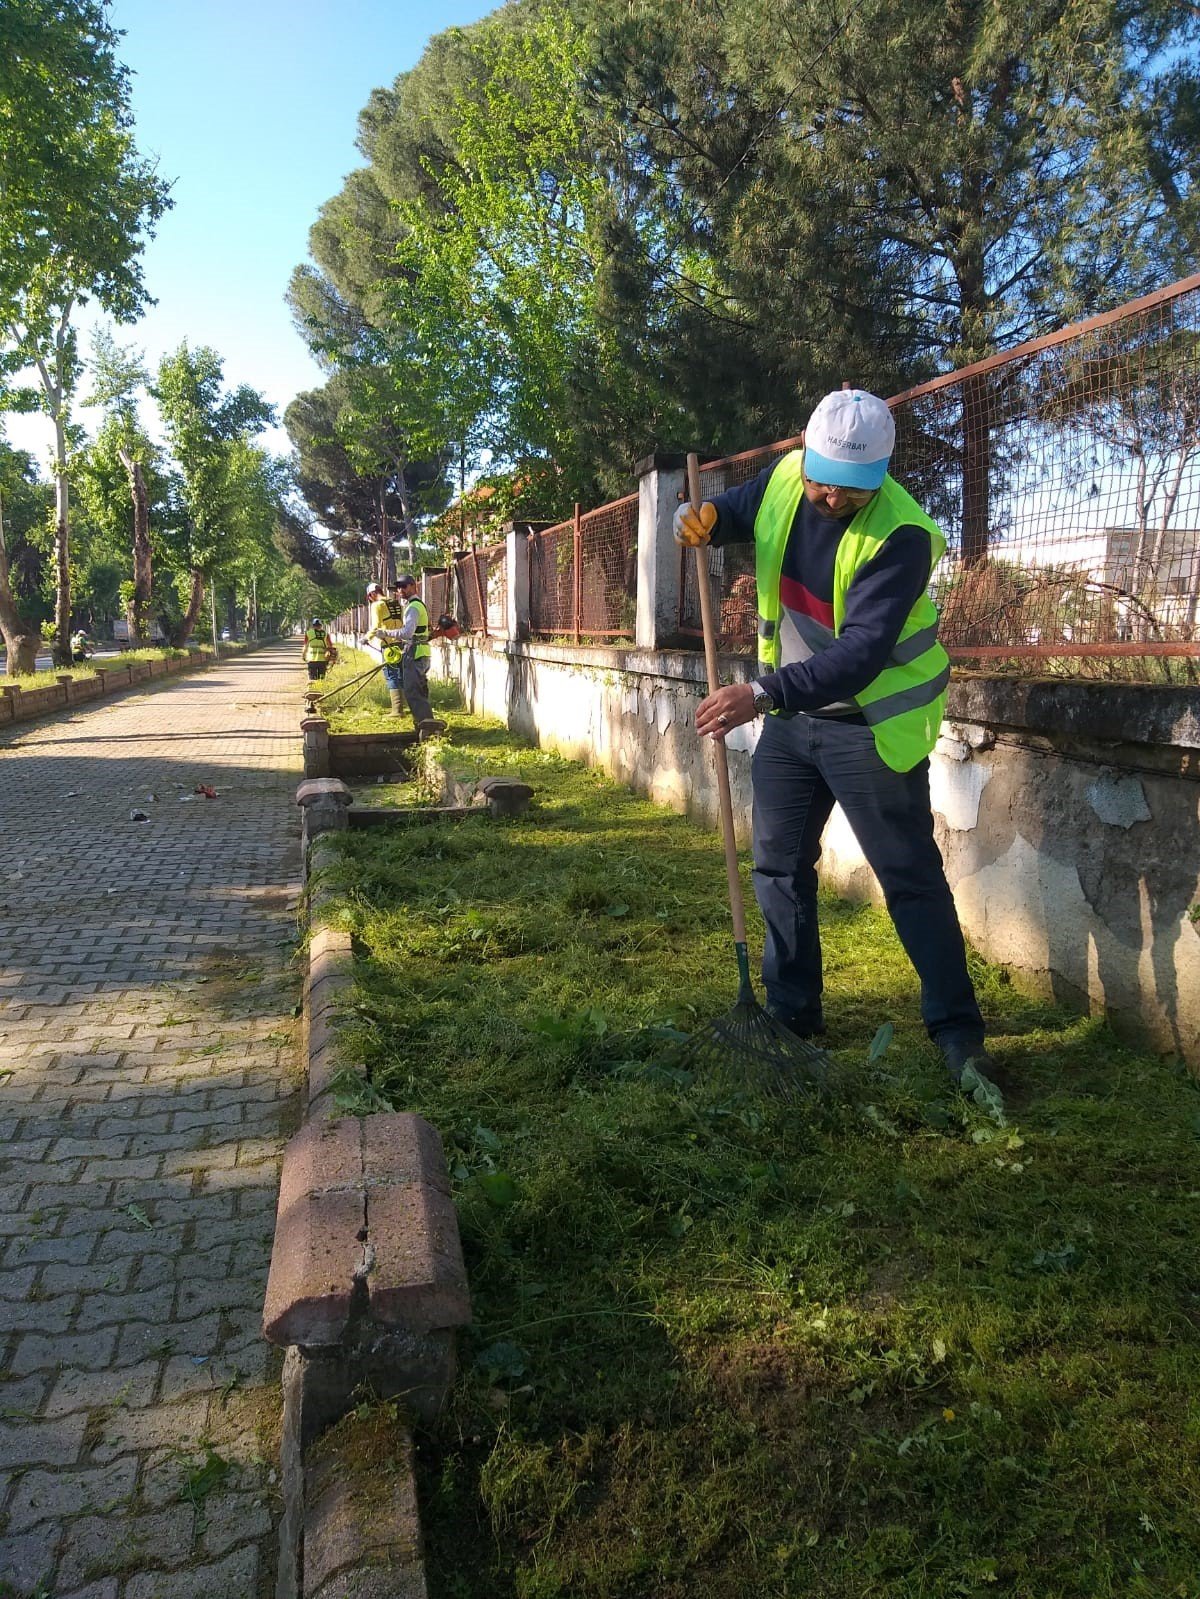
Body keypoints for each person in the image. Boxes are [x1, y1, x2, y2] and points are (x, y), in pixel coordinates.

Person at [674, 388, 1003, 1092]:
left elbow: (859, 655)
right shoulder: (789, 478)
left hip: (869, 728)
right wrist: (698, 517)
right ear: (807, 452)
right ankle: (792, 1014)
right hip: (793, 727)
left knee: (910, 880)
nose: (828, 500)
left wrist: (759, 693)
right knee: (778, 866)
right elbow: (734, 512)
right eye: (822, 481)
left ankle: (959, 1034)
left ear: (881, 477)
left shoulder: (902, 536)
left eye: (849, 492)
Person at [370, 575, 447, 738]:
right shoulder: (419, 606)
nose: (400, 590)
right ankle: (423, 725)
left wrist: (385, 633)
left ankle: (427, 727)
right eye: (398, 587)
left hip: (415, 653)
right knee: (419, 690)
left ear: (413, 586)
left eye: (404, 586)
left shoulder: (413, 607)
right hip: (422, 652)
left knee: (412, 692)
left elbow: (406, 633)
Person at [302, 617, 335, 681]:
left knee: (312, 679)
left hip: (311, 659)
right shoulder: (326, 634)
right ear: (321, 625)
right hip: (323, 660)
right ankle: (321, 689)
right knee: (322, 678)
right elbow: (330, 646)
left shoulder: (308, 633)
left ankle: (313, 690)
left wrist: (303, 656)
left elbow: (305, 646)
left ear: (313, 626)